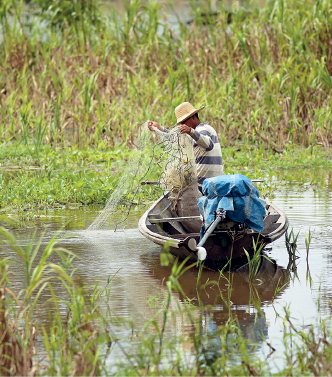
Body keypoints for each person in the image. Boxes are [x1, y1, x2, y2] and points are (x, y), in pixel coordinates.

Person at [148, 102, 223, 193]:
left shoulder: (201, 129)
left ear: (193, 117)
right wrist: (160, 128)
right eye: (181, 123)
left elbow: (209, 144)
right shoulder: (196, 133)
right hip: (215, 182)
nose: (182, 125)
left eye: (184, 122)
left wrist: (191, 131)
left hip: (206, 184)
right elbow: (176, 138)